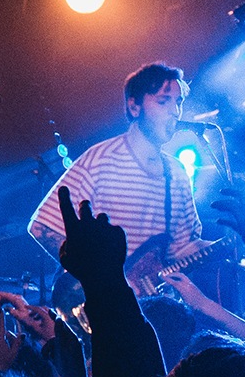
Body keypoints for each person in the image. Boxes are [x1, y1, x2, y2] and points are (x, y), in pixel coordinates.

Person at [26, 64, 204, 300]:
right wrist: (97, 277)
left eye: (178, 102)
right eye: (163, 102)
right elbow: (42, 227)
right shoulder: (100, 160)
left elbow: (181, 249)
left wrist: (231, 240)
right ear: (134, 106)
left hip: (156, 309)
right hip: (103, 308)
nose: (175, 112)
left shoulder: (176, 173)